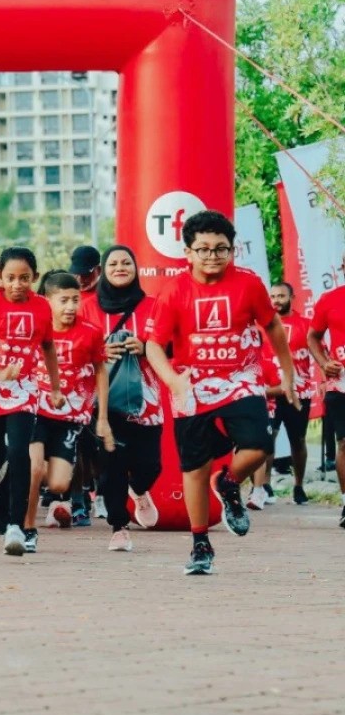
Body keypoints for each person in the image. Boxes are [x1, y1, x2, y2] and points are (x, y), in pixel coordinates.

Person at [145, 210, 298, 576]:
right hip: (192, 384)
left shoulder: (248, 283)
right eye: (204, 249)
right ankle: (200, 544)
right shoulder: (174, 291)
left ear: (232, 250)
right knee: (195, 467)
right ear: (188, 252)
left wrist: (288, 375)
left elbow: (273, 327)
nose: (212, 256)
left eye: (221, 249)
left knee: (259, 444)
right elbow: (153, 346)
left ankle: (228, 482)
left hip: (240, 378)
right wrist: (172, 380)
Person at [0, 247, 63, 556]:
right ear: (0, 277)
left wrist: (55, 388)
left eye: (24, 278)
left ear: (34, 277)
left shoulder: (42, 306)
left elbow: (48, 346)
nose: (17, 285)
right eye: (10, 278)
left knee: (21, 452)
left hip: (24, 388)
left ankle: (15, 526)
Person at [79, 245, 164, 550]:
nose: (120, 268)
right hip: (102, 398)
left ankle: (138, 490)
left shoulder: (153, 306)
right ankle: (119, 527)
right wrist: (100, 349)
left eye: (126, 262)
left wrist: (146, 347)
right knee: (111, 463)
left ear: (135, 268)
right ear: (103, 270)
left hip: (146, 398)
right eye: (113, 263)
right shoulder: (87, 308)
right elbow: (72, 346)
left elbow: (171, 344)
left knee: (151, 465)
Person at [26, 271, 112, 554]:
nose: (71, 306)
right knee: (35, 468)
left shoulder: (91, 332)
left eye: (75, 300)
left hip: (70, 416)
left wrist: (102, 417)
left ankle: (30, 480)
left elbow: (101, 371)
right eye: (63, 300)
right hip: (35, 409)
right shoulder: (35, 328)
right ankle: (27, 528)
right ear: (47, 301)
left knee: (59, 482)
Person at [258, 282, 317, 505]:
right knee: (268, 437)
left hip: (298, 392)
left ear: (292, 297)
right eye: (273, 296)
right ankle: (264, 485)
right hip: (270, 391)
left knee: (298, 439)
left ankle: (298, 486)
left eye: (281, 296)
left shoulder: (305, 324)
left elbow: (318, 350)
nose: (276, 300)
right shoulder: (261, 326)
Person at [308, 255, 345, 529]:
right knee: (344, 443)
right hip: (340, 382)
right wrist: (323, 363)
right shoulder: (330, 299)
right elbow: (313, 336)